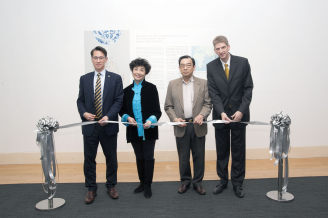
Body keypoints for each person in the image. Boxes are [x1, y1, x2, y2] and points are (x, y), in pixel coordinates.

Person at [207, 36, 253, 198]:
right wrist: (221, 112)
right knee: (222, 151)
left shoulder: (242, 62)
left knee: (238, 151)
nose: (221, 51)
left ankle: (238, 183)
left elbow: (248, 89)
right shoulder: (211, 66)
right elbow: (213, 93)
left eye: (223, 48)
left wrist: (241, 110)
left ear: (228, 47)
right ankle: (223, 181)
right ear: (214, 50)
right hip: (222, 116)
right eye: (217, 49)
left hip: (240, 115)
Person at [77, 46, 123, 204]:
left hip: (108, 125)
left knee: (111, 157)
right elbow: (80, 100)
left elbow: (119, 101)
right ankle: (91, 188)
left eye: (101, 57)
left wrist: (108, 116)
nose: (98, 60)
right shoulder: (84, 78)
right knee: (89, 158)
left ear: (106, 59)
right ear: (91, 59)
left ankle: (111, 185)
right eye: (95, 57)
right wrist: (84, 113)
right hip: (90, 126)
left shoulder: (116, 78)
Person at [164, 55, 212, 195]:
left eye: (188, 65)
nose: (185, 68)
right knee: (183, 157)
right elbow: (168, 106)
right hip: (181, 126)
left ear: (194, 67)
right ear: (179, 68)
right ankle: (185, 182)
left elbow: (208, 104)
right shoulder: (173, 84)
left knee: (199, 156)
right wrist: (174, 119)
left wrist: (202, 115)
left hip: (198, 125)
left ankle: (198, 183)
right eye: (182, 65)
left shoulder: (203, 83)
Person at [119, 58, 161, 199]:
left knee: (148, 157)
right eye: (136, 69)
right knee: (139, 157)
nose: (138, 72)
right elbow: (122, 111)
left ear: (145, 72)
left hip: (149, 130)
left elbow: (157, 111)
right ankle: (142, 183)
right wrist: (127, 118)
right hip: (133, 130)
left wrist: (150, 120)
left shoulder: (151, 88)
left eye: (141, 70)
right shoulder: (125, 91)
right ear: (132, 71)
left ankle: (148, 185)